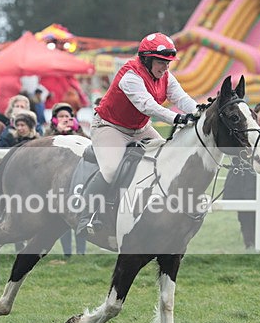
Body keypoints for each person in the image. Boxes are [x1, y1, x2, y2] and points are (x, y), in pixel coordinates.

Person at [77, 32, 199, 236]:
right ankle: (85, 216)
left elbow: (182, 99)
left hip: (139, 129)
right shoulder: (130, 75)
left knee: (168, 160)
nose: (165, 67)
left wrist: (199, 112)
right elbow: (147, 105)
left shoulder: (166, 76)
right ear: (146, 59)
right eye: (161, 62)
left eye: (168, 62)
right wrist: (177, 119)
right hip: (110, 127)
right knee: (110, 170)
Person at [223, 100, 260, 249]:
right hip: (239, 175)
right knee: (243, 212)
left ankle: (258, 242)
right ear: (256, 114)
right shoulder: (243, 128)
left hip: (257, 177)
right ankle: (248, 243)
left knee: (256, 212)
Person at [46, 102, 89, 257]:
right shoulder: (48, 134)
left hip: (77, 179)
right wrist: (59, 134)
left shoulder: (80, 134)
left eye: (68, 116)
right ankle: (67, 253)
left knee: (78, 214)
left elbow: (89, 150)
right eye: (61, 116)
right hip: (56, 182)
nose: (65, 119)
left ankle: (81, 252)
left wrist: (73, 134)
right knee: (62, 218)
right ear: (55, 119)